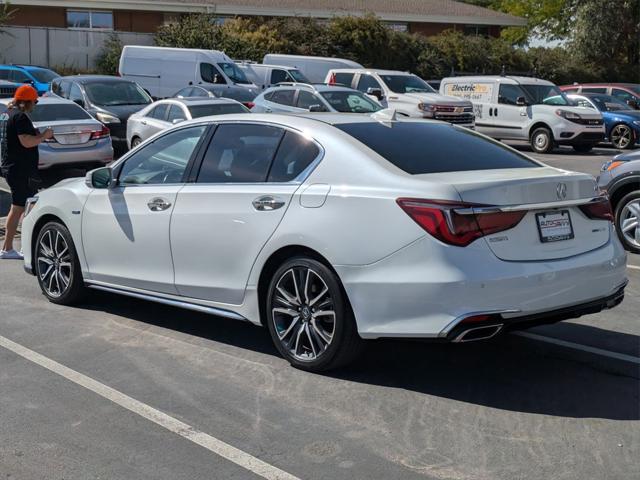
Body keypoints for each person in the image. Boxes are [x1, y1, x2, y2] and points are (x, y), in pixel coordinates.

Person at [0, 85, 53, 259]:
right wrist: (44, 135)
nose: (35, 105)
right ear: (26, 102)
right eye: (34, 101)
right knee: (22, 207)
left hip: (12, 167)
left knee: (20, 207)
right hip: (20, 169)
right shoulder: (20, 117)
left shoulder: (7, 113)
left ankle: (12, 247)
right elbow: (26, 142)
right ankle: (11, 248)